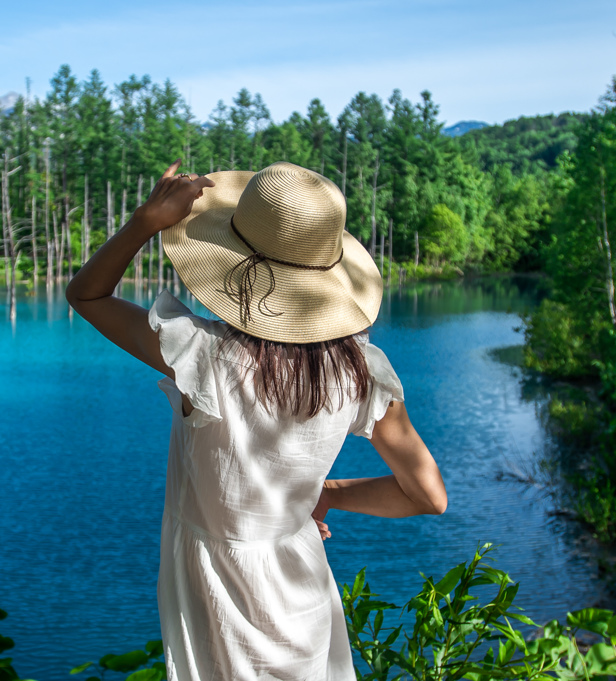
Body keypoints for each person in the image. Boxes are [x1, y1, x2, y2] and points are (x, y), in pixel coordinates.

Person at [66, 159, 447, 681]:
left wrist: (144, 223)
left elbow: (86, 295)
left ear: (235, 264)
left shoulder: (201, 357)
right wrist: (330, 494)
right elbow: (429, 496)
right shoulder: (362, 371)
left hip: (220, 599)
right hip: (302, 595)